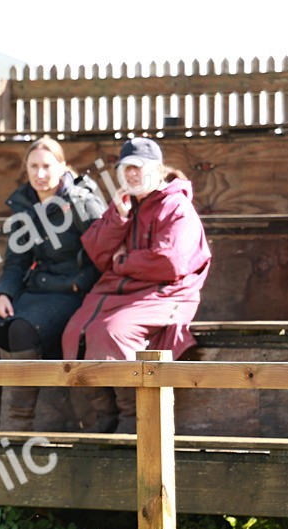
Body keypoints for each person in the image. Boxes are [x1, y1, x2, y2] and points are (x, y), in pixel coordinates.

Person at [61, 137, 211, 433]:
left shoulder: (176, 205)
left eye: (137, 168)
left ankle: (133, 421)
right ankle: (104, 418)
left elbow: (170, 263)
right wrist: (118, 217)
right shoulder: (126, 204)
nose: (131, 175)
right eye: (125, 168)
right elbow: (96, 251)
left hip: (168, 293)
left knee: (112, 332)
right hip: (123, 292)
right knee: (75, 330)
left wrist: (123, 262)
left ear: (156, 169)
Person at [0, 137, 106, 431]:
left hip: (72, 294)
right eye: (34, 166)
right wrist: (3, 294)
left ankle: (18, 422)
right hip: (36, 290)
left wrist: (78, 284)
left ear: (62, 166)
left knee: (22, 329)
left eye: (47, 166)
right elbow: (16, 262)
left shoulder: (82, 201)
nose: (40, 174)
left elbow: (104, 257)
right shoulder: (24, 203)